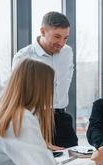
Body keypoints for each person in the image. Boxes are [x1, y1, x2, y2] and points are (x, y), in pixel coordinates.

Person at [0, 59, 103, 165]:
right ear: (39, 87)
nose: (54, 91)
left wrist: (38, 146)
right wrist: (94, 162)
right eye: (52, 85)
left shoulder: (4, 116)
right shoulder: (21, 119)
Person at [12, 11, 76, 149]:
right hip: (36, 119)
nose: (61, 43)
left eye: (65, 38)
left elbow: (68, 74)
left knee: (76, 160)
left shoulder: (67, 52)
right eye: (57, 36)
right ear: (42, 31)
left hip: (61, 117)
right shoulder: (23, 57)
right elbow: (18, 95)